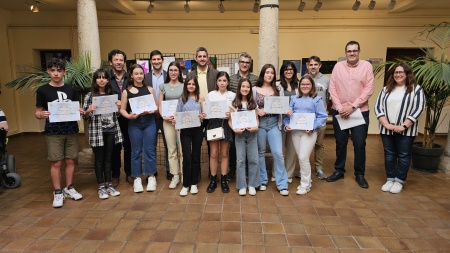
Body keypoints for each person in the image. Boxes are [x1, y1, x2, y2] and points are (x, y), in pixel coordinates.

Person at [35, 58, 83, 208]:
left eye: (59, 70)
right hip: (53, 131)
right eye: (53, 70)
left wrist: (80, 111)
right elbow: (37, 112)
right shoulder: (42, 90)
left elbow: (77, 109)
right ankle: (57, 192)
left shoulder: (72, 90)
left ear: (64, 72)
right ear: (48, 71)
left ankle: (69, 188)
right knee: (56, 162)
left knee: (70, 160)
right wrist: (40, 115)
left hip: (71, 130)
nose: (56, 73)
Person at [327, 41, 374, 188]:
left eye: (354, 50)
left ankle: (359, 174)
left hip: (359, 111)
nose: (352, 53)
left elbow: (369, 89)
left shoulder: (367, 66)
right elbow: (332, 87)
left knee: (359, 144)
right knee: (341, 143)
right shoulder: (338, 66)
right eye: (349, 51)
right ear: (345, 52)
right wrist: (341, 107)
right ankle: (339, 170)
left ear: (359, 51)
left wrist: (353, 106)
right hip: (340, 111)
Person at [374, 62, 425, 194]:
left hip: (406, 130)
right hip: (387, 129)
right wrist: (386, 124)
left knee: (404, 155)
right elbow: (378, 107)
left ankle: (399, 181)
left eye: (401, 72)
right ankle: (390, 179)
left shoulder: (416, 89)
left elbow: (418, 109)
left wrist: (403, 126)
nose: (398, 75)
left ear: (407, 74)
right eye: (396, 72)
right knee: (389, 155)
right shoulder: (385, 90)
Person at [284, 75, 328, 195]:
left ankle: (305, 185)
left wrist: (313, 126)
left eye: (307, 84)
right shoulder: (294, 98)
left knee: (303, 157)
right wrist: (287, 124)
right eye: (302, 84)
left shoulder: (316, 99)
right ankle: (307, 181)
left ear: (312, 86)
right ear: (299, 86)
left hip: (309, 133)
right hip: (295, 132)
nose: (305, 86)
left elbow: (322, 116)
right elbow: (288, 116)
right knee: (301, 158)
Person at [83, 69, 123, 199]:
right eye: (99, 77)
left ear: (107, 80)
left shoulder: (111, 95)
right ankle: (101, 186)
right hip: (97, 131)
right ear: (95, 80)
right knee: (99, 159)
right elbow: (85, 116)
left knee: (108, 158)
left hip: (111, 130)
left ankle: (109, 184)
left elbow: (116, 114)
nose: (102, 80)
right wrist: (88, 110)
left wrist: (118, 107)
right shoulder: (90, 95)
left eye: (104, 78)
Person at [120, 64, 158, 193]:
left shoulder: (150, 89)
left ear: (144, 75)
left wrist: (151, 110)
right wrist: (129, 116)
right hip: (134, 124)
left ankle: (151, 176)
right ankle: (136, 178)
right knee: (135, 151)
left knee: (150, 149)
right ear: (131, 75)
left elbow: (155, 107)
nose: (139, 76)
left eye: (141, 73)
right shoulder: (126, 91)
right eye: (136, 73)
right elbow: (122, 110)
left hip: (149, 122)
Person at [254, 64, 291, 196]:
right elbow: (250, 106)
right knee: (260, 152)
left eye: (272, 73)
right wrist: (258, 110)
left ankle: (282, 184)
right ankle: (262, 180)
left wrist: (286, 110)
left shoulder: (278, 89)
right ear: (263, 74)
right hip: (260, 124)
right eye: (267, 72)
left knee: (278, 153)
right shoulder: (254, 89)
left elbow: (281, 106)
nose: (269, 75)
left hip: (274, 123)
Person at [187, 47, 219, 180]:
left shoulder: (216, 74)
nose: (202, 58)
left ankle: (212, 174)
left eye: (204, 56)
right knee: (197, 144)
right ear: (195, 58)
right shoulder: (190, 75)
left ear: (208, 58)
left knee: (212, 144)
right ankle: (196, 174)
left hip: (212, 114)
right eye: (199, 56)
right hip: (196, 115)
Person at [228, 53, 258, 179]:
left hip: (251, 115)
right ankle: (234, 170)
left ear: (250, 65)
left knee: (250, 151)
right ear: (238, 63)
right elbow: (229, 95)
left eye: (247, 62)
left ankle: (248, 173)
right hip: (236, 117)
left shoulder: (256, 79)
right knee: (234, 148)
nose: (245, 64)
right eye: (242, 62)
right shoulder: (231, 78)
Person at [205, 71, 235, 193]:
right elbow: (207, 110)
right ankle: (213, 179)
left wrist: (230, 113)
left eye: (224, 80)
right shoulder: (211, 95)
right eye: (220, 80)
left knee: (224, 153)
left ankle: (224, 179)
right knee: (213, 153)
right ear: (216, 82)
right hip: (213, 124)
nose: (222, 83)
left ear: (228, 82)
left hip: (226, 124)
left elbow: (235, 111)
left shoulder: (232, 95)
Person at [175, 76, 206, 196]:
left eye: (193, 84)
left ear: (196, 85)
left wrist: (203, 116)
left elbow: (204, 113)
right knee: (186, 157)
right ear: (186, 86)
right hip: (185, 131)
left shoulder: (200, 97)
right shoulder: (182, 99)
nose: (191, 86)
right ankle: (185, 184)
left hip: (198, 129)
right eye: (189, 84)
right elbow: (178, 114)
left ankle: (194, 183)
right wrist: (175, 120)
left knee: (195, 156)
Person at [229, 78, 260, 196]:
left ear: (250, 89)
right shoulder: (234, 103)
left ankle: (252, 184)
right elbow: (230, 120)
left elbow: (256, 119)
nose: (245, 89)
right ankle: (242, 185)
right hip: (239, 135)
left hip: (252, 134)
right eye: (243, 86)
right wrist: (234, 129)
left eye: (247, 87)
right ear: (239, 88)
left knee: (254, 159)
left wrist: (256, 127)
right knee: (240, 160)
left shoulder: (253, 103)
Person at [144, 50, 171, 180]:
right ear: (150, 61)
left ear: (162, 60)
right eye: (154, 59)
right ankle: (152, 171)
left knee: (168, 144)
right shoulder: (145, 77)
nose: (156, 62)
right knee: (151, 145)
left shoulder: (168, 76)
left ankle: (169, 170)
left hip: (166, 116)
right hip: (150, 117)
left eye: (158, 59)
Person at [158, 61, 184, 189]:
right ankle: (175, 176)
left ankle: (184, 174)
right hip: (167, 122)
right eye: (171, 70)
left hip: (181, 121)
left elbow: (186, 104)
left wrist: (179, 117)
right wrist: (164, 116)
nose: (173, 72)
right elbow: (160, 104)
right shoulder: (163, 86)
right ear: (168, 72)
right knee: (171, 149)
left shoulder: (184, 86)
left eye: (175, 70)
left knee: (182, 149)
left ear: (179, 72)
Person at [108, 49, 131, 187]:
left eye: (121, 60)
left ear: (124, 62)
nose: (118, 62)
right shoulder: (106, 77)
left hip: (129, 117)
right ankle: (115, 174)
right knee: (115, 147)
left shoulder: (131, 77)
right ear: (111, 62)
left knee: (129, 146)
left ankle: (129, 173)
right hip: (113, 118)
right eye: (116, 60)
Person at [305, 56, 330, 180]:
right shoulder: (303, 80)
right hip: (306, 119)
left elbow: (328, 97)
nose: (313, 67)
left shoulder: (326, 80)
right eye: (311, 65)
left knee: (319, 144)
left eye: (316, 64)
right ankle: (306, 169)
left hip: (320, 119)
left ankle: (319, 168)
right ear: (307, 66)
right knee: (306, 144)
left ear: (319, 65)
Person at [275, 61, 299, 184]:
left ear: (294, 71)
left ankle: (289, 174)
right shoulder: (277, 85)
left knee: (291, 149)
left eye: (291, 69)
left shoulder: (299, 85)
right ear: (282, 71)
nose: (288, 71)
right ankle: (277, 173)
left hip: (294, 122)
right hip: (280, 121)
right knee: (278, 150)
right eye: (286, 69)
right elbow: (273, 103)